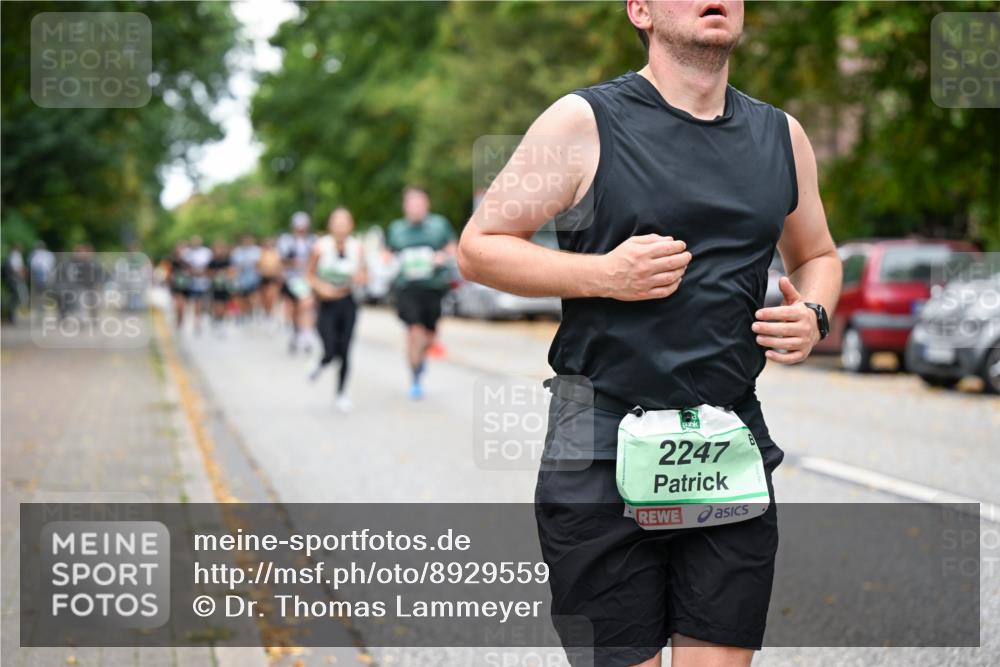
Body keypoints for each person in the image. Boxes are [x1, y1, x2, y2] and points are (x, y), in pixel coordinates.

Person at [457, 2, 842, 666]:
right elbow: (480, 246)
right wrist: (602, 273)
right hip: (600, 437)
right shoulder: (582, 121)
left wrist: (813, 315)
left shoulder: (783, 135)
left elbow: (819, 256)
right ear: (641, 9)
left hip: (724, 441)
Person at [385, 186, 456, 400]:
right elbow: (386, 253)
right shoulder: (396, 229)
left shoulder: (439, 225)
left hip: (433, 286)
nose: (415, 207)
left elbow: (453, 247)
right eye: (411, 203)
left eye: (419, 203)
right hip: (407, 287)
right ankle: (415, 376)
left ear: (426, 205)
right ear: (405, 206)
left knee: (430, 336)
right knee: (414, 331)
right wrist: (388, 261)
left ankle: (420, 359)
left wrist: (442, 257)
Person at [306, 207, 366, 411]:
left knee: (346, 350)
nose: (341, 226)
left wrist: (360, 278)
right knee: (331, 348)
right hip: (326, 303)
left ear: (351, 225)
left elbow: (365, 275)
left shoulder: (357, 247)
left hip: (348, 302)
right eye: (337, 221)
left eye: (345, 222)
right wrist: (322, 288)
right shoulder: (320, 247)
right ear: (330, 225)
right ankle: (321, 362)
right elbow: (310, 275)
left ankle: (341, 393)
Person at [278, 212, 317, 353]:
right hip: (291, 279)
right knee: (294, 309)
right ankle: (296, 331)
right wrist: (293, 263)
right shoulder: (286, 241)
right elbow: (282, 260)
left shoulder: (312, 240)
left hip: (307, 279)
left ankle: (306, 333)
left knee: (306, 305)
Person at [183, 236, 213, 334]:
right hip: (192, 282)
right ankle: (195, 320)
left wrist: (204, 273)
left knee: (203, 302)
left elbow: (210, 266)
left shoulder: (206, 252)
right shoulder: (188, 253)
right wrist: (193, 272)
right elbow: (186, 267)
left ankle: (202, 319)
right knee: (194, 302)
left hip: (204, 282)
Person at [231, 234, 262, 321]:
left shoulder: (257, 250)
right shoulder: (237, 251)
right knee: (243, 298)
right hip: (241, 279)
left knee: (253, 297)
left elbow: (259, 264)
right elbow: (234, 266)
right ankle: (244, 313)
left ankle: (253, 312)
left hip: (254, 278)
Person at [208, 239, 234, 332]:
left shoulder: (227, 261)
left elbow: (231, 272)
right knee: (217, 303)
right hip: (215, 286)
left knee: (224, 304)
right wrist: (215, 274)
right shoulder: (212, 262)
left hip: (224, 285)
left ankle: (222, 320)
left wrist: (226, 275)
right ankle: (217, 319)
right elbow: (208, 274)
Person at [257, 236, 284, 320]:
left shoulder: (276, 253)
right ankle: (267, 312)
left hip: (273, 277)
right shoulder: (261, 253)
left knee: (272, 295)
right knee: (265, 296)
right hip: (264, 277)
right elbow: (258, 266)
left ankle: (271, 312)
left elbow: (280, 266)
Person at [167, 241, 190, 328]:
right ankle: (178, 319)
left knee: (182, 304)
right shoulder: (172, 260)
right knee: (178, 303)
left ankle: (180, 319)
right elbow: (168, 271)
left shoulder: (187, 260)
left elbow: (190, 271)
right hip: (175, 285)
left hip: (184, 285)